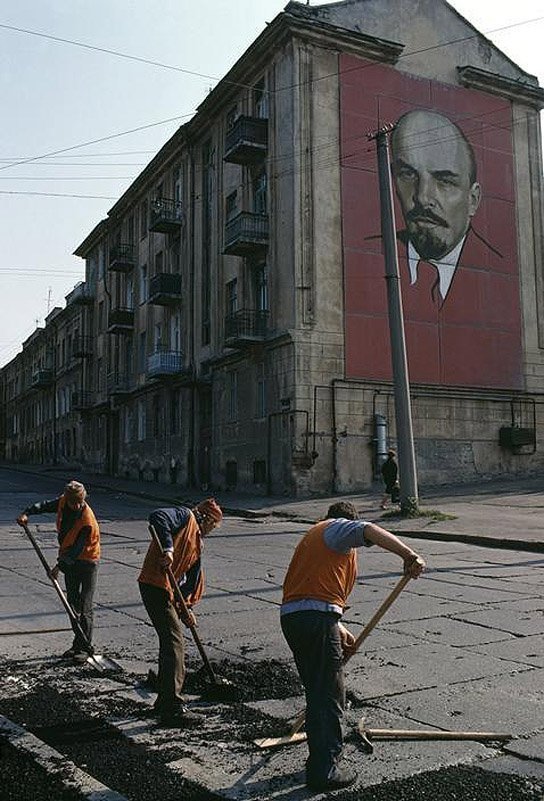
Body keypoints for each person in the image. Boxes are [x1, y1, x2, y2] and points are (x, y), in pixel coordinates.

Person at [280, 501, 425, 792]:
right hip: (315, 621)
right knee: (330, 695)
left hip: (297, 619)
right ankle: (326, 770)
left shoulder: (314, 539)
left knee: (318, 692)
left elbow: (312, 591)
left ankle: (318, 762)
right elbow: (368, 529)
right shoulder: (335, 528)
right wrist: (410, 555)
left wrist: (339, 628)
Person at [138, 497, 223, 727]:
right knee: (175, 644)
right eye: (212, 526)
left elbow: (189, 580)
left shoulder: (197, 542)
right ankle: (172, 706)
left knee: (170, 642)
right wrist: (168, 549)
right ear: (206, 519)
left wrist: (187, 608)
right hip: (155, 584)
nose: (211, 531)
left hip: (166, 591)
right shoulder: (185, 516)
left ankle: (164, 699)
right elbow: (157, 517)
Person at [391, 108, 482, 306]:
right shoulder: (358, 263)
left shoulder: (501, 274)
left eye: (444, 181)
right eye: (408, 175)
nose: (423, 198)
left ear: (473, 200)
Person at [17, 480, 100, 663]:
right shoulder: (63, 501)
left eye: (80, 502)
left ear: (83, 499)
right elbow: (44, 506)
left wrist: (57, 568)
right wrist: (26, 512)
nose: (77, 506)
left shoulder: (87, 520)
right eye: (73, 503)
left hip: (88, 561)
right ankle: (77, 644)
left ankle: (85, 647)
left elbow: (76, 551)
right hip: (69, 560)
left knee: (85, 605)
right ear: (67, 499)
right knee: (72, 602)